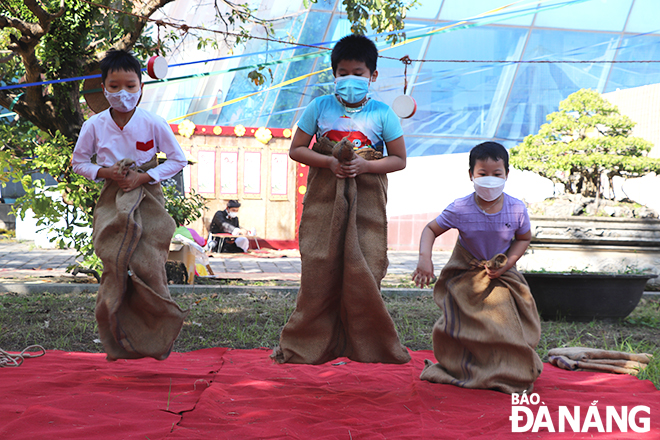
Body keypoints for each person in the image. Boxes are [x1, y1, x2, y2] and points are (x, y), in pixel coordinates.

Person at [270, 34, 411, 365]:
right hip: (324, 199)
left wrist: (365, 165)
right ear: (334, 73)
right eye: (343, 72)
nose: (351, 79)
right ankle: (310, 342)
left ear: (373, 76)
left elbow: (400, 159)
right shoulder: (319, 106)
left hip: (367, 203)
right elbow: (297, 149)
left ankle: (366, 343)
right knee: (320, 266)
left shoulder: (383, 113)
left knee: (366, 266)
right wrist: (330, 161)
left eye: (359, 73)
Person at [71, 49, 188, 361]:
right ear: (103, 87)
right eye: (114, 86)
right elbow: (79, 162)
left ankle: (157, 339)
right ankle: (116, 342)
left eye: (130, 86)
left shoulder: (154, 122)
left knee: (150, 265)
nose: (123, 93)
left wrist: (145, 176)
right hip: (111, 196)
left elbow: (177, 160)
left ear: (141, 87)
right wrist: (105, 172)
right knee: (113, 264)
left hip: (148, 195)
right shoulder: (94, 125)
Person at [412, 141, 543, 394]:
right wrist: (424, 259)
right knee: (456, 325)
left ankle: (509, 368)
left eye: (497, 174)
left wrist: (507, 265)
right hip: (466, 276)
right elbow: (431, 229)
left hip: (502, 276)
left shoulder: (516, 208)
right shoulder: (460, 208)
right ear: (471, 175)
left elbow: (523, 238)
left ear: (507, 175)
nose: (490, 180)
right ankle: (464, 367)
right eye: (483, 174)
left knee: (507, 325)